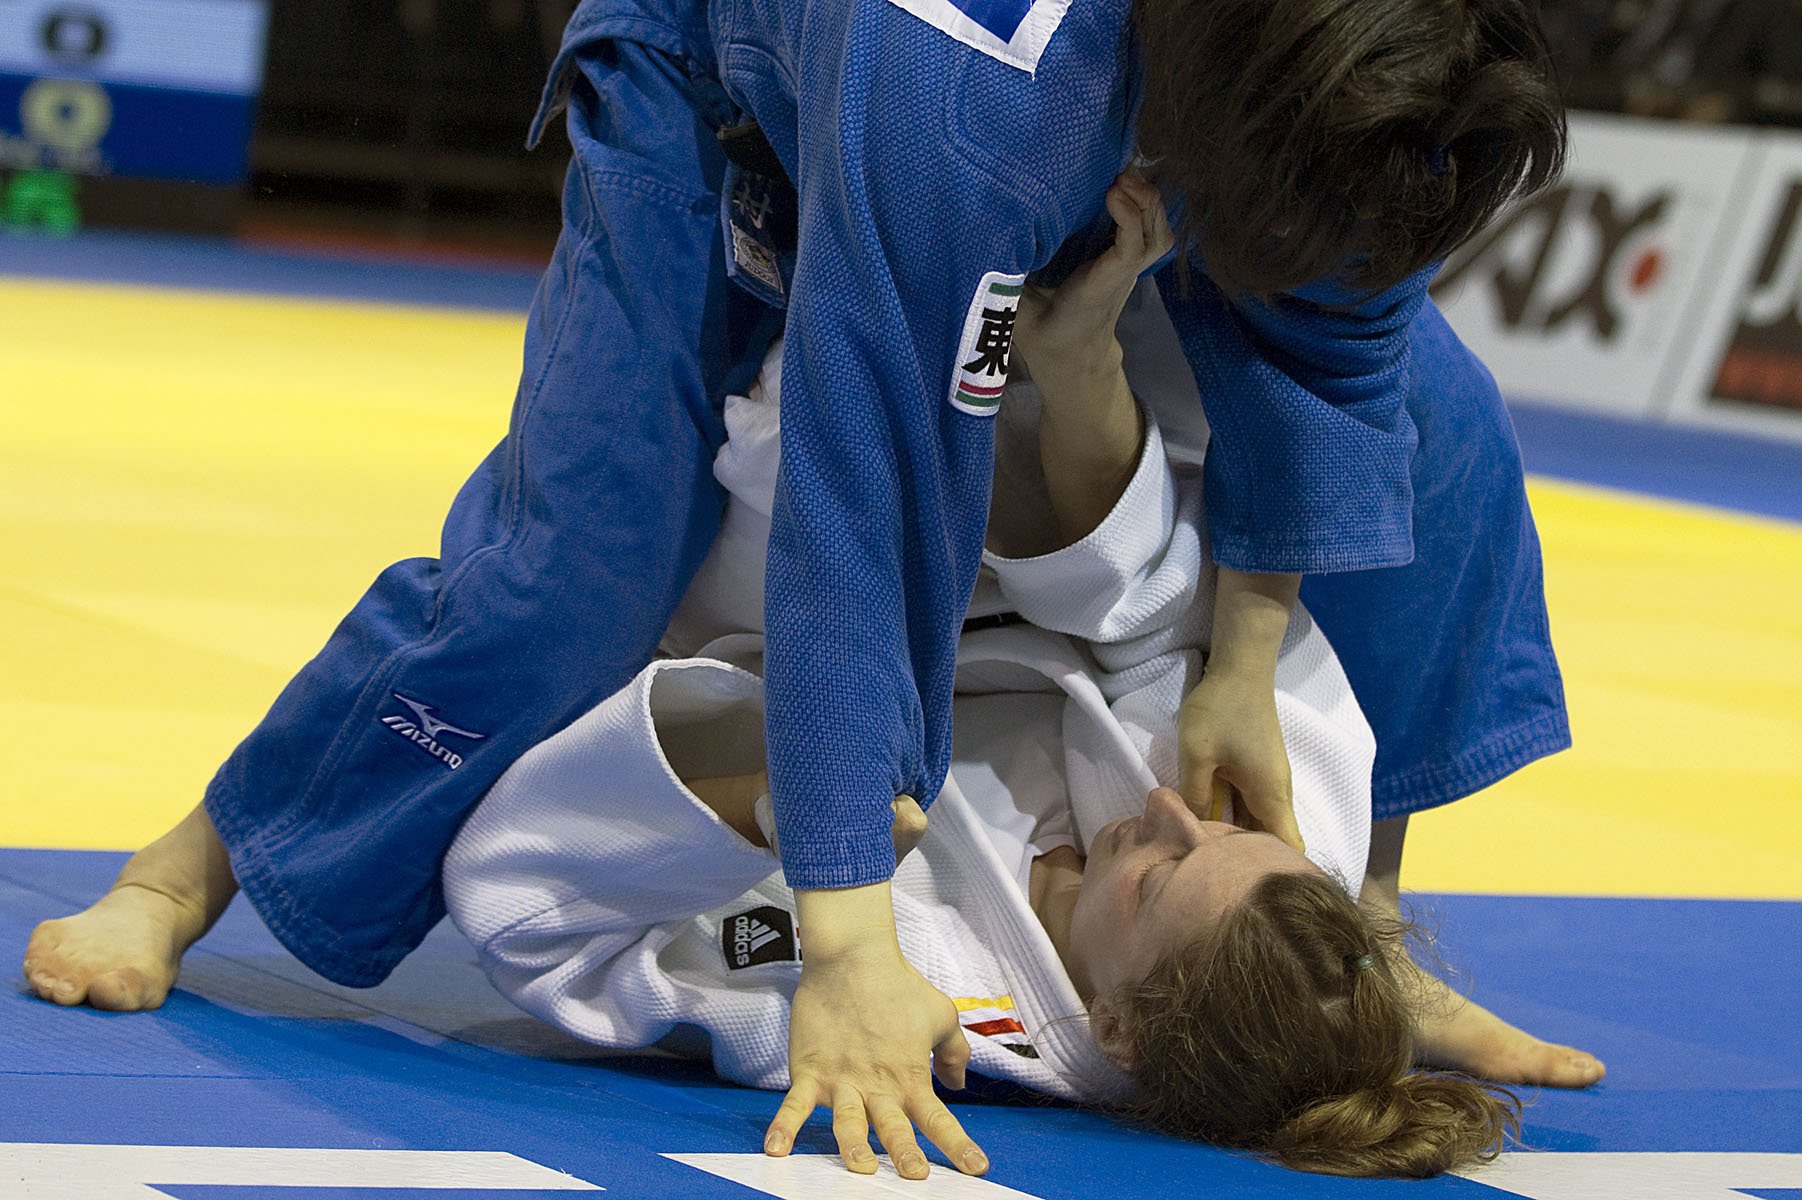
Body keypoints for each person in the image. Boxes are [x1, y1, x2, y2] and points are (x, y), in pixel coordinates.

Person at [23, 0, 1574, 1176]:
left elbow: (1341, 341)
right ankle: (191, 865)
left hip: (1137, 119)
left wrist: (1246, 652)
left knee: (1438, 418)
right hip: (734, 102)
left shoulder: (1354, 50)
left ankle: (1361, 925)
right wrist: (841, 945)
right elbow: (869, 481)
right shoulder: (967, 95)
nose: (1175, 825)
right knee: (590, 562)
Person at [439, 179, 1516, 1177]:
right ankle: (1016, 310)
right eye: (1222, 836)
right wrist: (1082, 358)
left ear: (1113, 1030)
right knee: (1427, 398)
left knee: (537, 599)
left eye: (1150, 874)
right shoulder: (1275, 855)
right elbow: (1142, 610)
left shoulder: (930, 991)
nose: (1166, 811)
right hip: (1021, 517)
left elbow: (538, 918)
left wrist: (784, 820)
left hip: (774, 606)